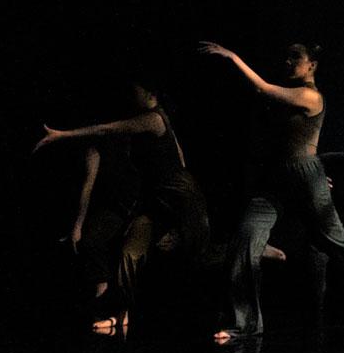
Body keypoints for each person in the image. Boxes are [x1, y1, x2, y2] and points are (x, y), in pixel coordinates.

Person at [199, 41, 344, 342]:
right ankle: (246, 323)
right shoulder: (287, 97)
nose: (288, 62)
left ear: (312, 65)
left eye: (295, 57)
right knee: (246, 238)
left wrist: (233, 56)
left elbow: (262, 88)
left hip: (304, 174)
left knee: (335, 238)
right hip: (276, 179)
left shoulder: (310, 96)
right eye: (286, 57)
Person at [33, 80, 211, 334]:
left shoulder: (153, 119)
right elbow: (178, 154)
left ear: (150, 94)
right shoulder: (149, 123)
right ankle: (120, 312)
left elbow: (107, 129)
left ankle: (249, 255)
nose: (131, 96)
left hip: (181, 197)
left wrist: (62, 135)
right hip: (154, 202)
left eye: (135, 91)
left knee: (200, 255)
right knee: (129, 254)